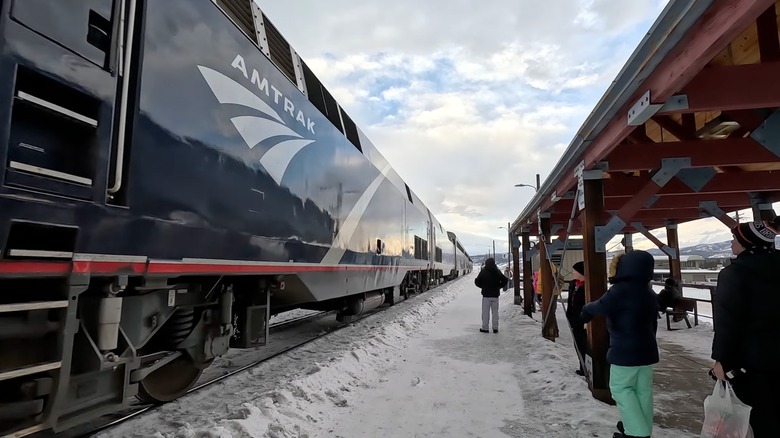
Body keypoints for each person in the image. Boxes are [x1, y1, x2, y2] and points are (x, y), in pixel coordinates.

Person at [710, 218, 780, 437]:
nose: (732, 243)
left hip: (752, 361)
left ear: (747, 243)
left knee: (762, 420)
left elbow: (728, 321)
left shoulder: (735, 274)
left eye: (735, 239)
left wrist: (722, 360)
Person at [580, 250, 659, 438]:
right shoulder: (648, 291)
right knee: (643, 392)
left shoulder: (620, 290)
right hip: (646, 352)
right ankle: (642, 428)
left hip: (624, 352)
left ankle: (636, 432)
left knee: (621, 389)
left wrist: (585, 310)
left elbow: (599, 305)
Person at [474, 257, 508, 333]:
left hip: (486, 296)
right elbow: (505, 280)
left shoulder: (483, 271)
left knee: (485, 313)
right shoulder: (497, 271)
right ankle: (495, 328)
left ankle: (485, 328)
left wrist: (483, 286)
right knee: (495, 312)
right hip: (495, 295)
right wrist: (499, 286)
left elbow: (477, 281)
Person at [565, 261, 587, 376]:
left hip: (584, 320)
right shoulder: (574, 285)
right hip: (574, 319)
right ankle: (582, 366)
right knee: (578, 343)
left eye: (575, 270)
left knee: (585, 344)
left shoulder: (588, 287)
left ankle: (587, 367)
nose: (572, 272)